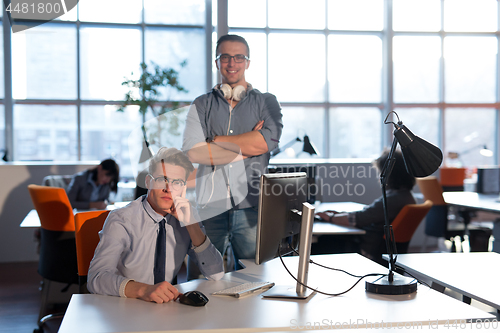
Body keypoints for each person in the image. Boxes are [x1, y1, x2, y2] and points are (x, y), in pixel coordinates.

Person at [182, 34, 283, 268]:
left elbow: (267, 142)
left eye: (239, 57)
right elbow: (194, 153)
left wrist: (214, 141)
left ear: (247, 63)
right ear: (217, 62)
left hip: (252, 208)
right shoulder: (201, 104)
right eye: (225, 57)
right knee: (201, 282)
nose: (231, 63)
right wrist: (247, 147)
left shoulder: (267, 102)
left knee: (254, 281)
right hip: (209, 207)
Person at [87, 147, 224, 303]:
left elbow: (216, 273)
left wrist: (192, 226)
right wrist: (144, 290)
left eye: (177, 182)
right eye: (161, 179)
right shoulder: (122, 219)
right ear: (148, 181)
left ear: (184, 187)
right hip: (126, 306)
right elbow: (96, 278)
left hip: (167, 310)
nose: (168, 188)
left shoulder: (188, 215)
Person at [316, 149, 416, 264]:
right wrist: (336, 214)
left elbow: (358, 219)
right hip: (376, 248)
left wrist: (330, 218)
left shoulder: (393, 200)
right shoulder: (406, 197)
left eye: (380, 172)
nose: (379, 177)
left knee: (321, 242)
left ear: (391, 174)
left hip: (368, 250)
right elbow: (368, 214)